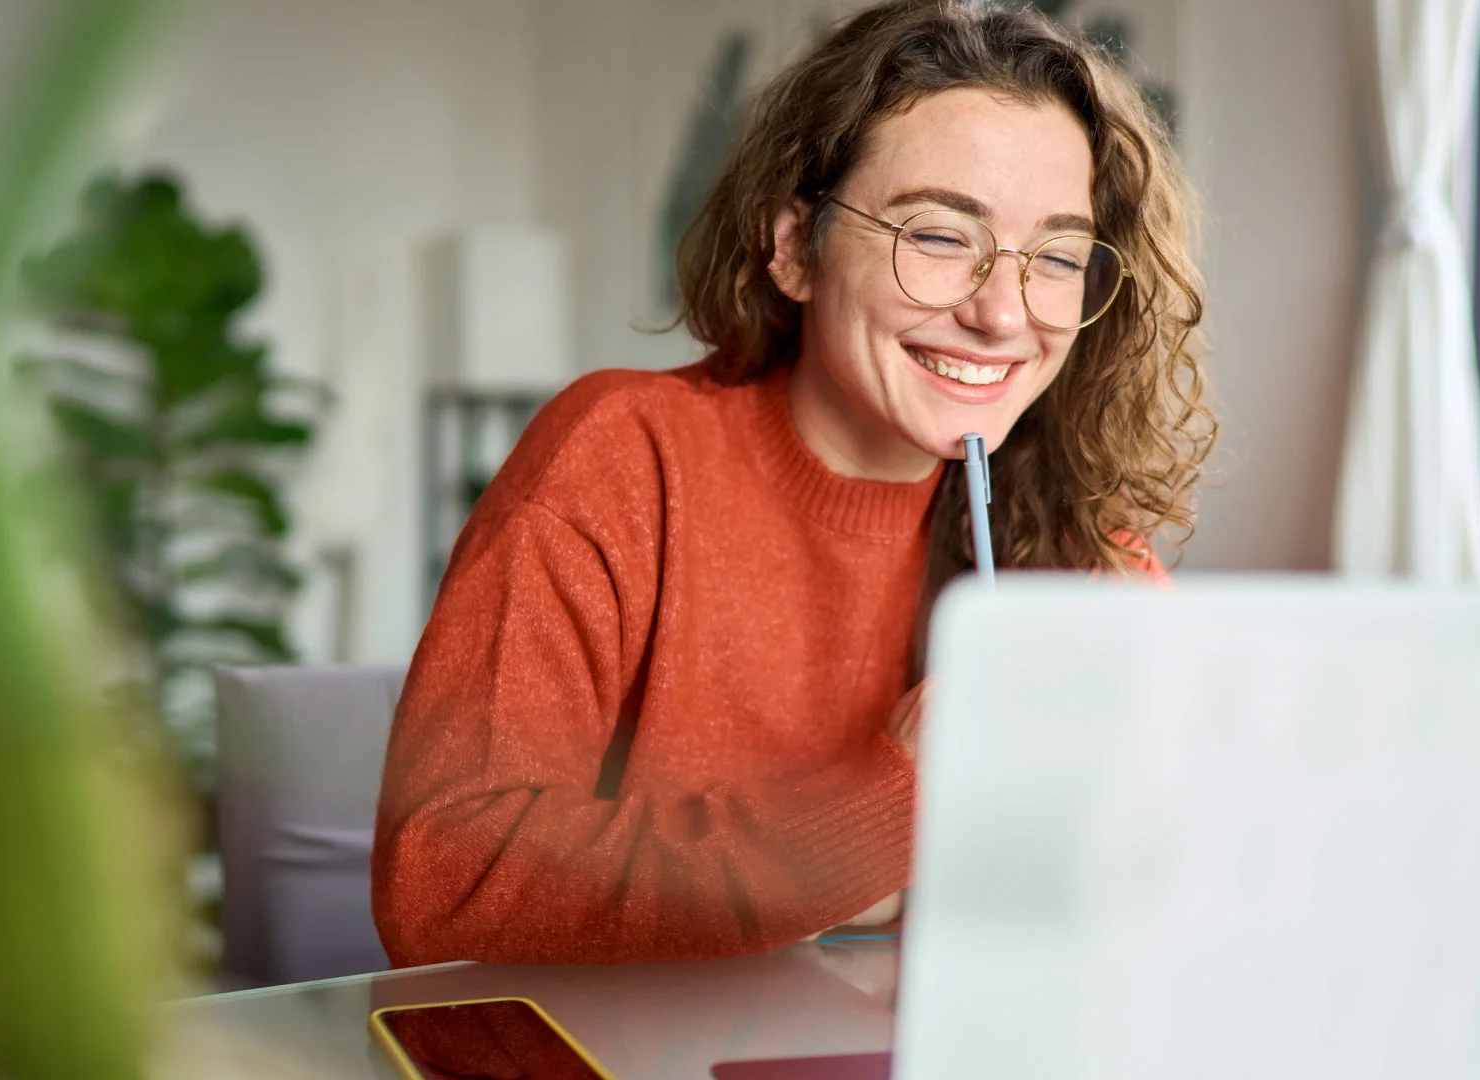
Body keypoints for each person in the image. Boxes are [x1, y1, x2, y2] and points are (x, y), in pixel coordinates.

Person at [372, 0, 1214, 966]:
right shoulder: (622, 456)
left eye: (1056, 258)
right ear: (793, 246)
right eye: (940, 237)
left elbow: (1177, 871)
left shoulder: (1074, 534)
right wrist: (891, 805)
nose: (1000, 313)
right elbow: (442, 881)